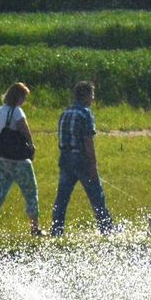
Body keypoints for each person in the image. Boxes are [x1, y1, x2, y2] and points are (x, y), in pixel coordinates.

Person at [50, 81, 114, 236]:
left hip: (65, 159)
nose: (93, 98)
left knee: (62, 197)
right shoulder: (85, 113)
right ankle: (106, 228)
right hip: (81, 159)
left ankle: (56, 230)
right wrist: (93, 165)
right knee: (96, 195)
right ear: (85, 95)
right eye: (92, 95)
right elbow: (88, 141)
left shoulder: (65, 112)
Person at [0, 82, 44, 237]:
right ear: (18, 97)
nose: (24, 100)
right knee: (30, 191)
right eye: (24, 97)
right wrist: (31, 145)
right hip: (18, 160)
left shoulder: (0, 110)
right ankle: (34, 227)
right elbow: (24, 129)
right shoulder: (17, 111)